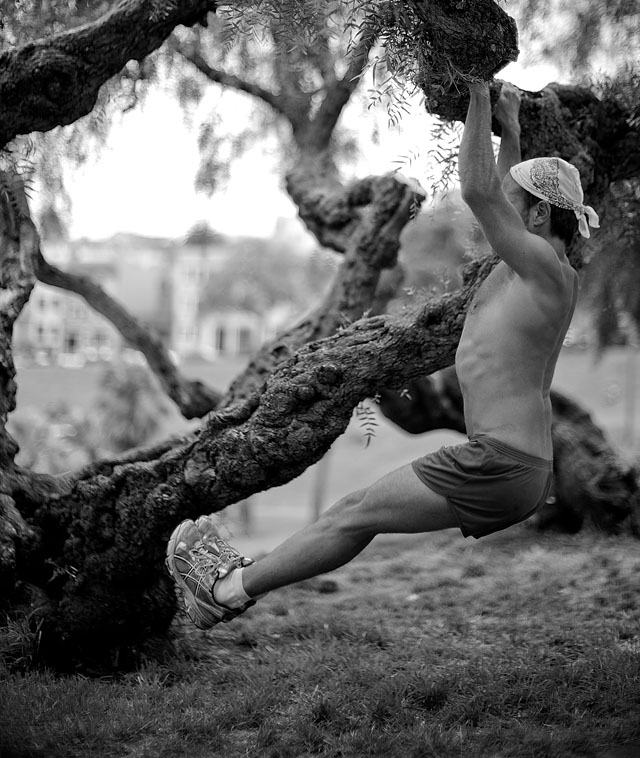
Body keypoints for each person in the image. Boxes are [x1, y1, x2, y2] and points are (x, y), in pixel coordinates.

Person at [166, 80, 600, 629]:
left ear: (538, 218)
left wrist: (474, 89)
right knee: (359, 516)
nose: (503, 217)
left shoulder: (545, 271)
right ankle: (231, 588)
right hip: (511, 465)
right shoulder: (528, 268)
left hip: (500, 463)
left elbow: (479, 191)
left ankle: (225, 591)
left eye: (518, 208)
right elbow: (498, 194)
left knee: (354, 513)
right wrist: (508, 130)